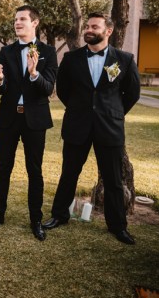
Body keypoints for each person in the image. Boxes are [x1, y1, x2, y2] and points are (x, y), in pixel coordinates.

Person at [42, 13, 140, 245]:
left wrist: (112, 113)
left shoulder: (124, 59)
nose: (88, 30)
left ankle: (118, 226)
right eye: (87, 26)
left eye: (94, 27)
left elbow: (132, 94)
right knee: (69, 173)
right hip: (78, 125)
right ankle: (59, 215)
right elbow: (64, 91)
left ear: (108, 31)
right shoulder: (71, 58)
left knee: (113, 179)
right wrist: (80, 110)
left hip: (110, 127)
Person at [0, 5, 58, 241]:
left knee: (34, 170)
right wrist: (0, 79)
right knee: (4, 168)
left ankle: (36, 220)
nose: (17, 23)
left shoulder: (49, 51)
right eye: (16, 19)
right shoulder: (6, 52)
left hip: (35, 119)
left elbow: (48, 89)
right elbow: (1, 90)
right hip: (8, 117)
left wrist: (35, 74)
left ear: (34, 23)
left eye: (22, 19)